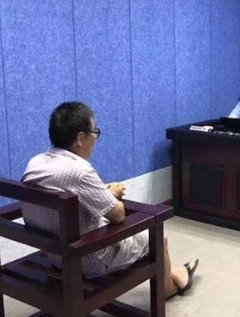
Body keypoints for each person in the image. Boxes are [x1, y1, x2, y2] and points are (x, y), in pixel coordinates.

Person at [21, 101, 198, 299]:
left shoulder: (35, 163)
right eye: (94, 132)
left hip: (54, 254)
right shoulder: (80, 171)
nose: (95, 139)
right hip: (87, 258)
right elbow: (117, 215)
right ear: (80, 138)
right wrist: (114, 197)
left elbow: (70, 194)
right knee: (159, 239)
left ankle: (174, 273)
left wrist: (107, 194)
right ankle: (168, 287)